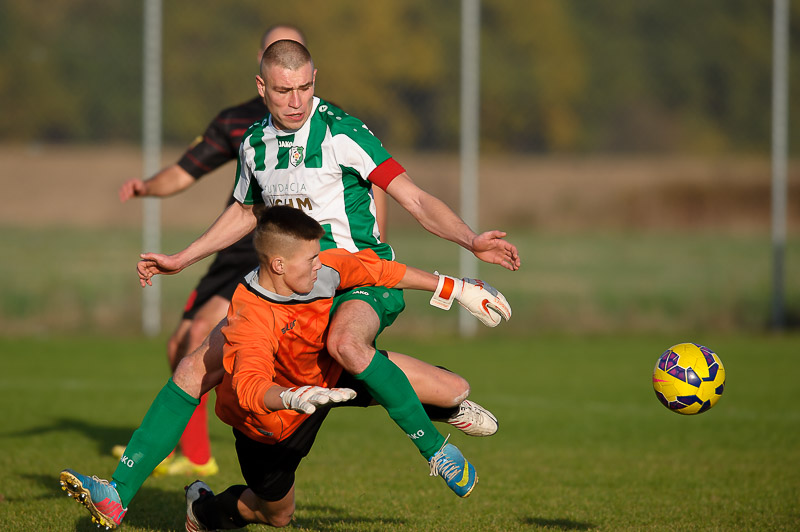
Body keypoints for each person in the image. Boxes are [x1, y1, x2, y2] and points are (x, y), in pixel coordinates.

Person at [60, 39, 518, 529]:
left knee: (344, 342)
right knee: (194, 369)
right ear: (262, 88)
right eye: (283, 91)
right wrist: (182, 258)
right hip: (291, 297)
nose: (296, 101)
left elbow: (416, 199)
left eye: (304, 87)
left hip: (360, 281)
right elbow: (244, 210)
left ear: (314, 79)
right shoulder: (254, 144)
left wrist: (471, 241)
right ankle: (117, 493)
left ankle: (434, 450)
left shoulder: (342, 133)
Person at [190, 206, 509, 528]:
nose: (320, 263)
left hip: (329, 374)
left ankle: (440, 423)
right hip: (274, 420)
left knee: (454, 390)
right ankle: (203, 510)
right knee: (278, 515)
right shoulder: (251, 315)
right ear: (279, 264)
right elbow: (249, 388)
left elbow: (383, 272)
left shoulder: (324, 267)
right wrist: (290, 397)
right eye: (311, 258)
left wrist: (456, 288)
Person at [114, 25, 318, 478]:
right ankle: (192, 451)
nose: (292, 94)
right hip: (230, 248)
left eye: (299, 78)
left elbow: (372, 182)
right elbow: (189, 170)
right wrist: (147, 186)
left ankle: (204, 454)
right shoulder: (240, 124)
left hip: (269, 255)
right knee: (178, 343)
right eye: (276, 63)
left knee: (199, 342)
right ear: (262, 71)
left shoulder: (328, 124)